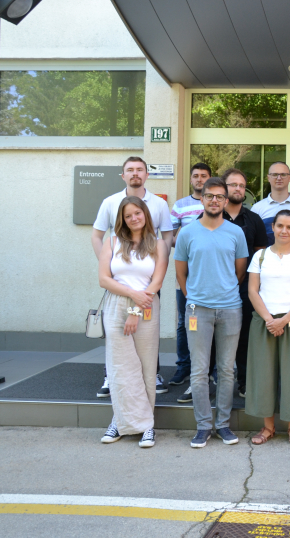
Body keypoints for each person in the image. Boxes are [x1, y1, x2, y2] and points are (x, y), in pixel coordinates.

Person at [174, 177, 248, 448]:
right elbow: (180, 273)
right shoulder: (187, 233)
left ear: (226, 201)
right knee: (199, 370)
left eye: (219, 196)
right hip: (198, 310)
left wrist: (222, 292)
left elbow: (240, 271)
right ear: (202, 199)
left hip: (230, 309)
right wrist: (194, 296)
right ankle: (203, 426)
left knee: (227, 370)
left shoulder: (236, 233)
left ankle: (223, 425)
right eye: (209, 196)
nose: (214, 200)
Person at [92, 156, 173, 398]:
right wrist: (109, 265)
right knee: (117, 338)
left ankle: (152, 374)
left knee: (147, 336)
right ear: (123, 175)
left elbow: (167, 236)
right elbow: (97, 236)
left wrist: (157, 264)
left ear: (147, 174)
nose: (135, 173)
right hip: (119, 284)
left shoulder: (159, 204)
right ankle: (110, 376)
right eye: (130, 170)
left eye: (140, 169)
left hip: (148, 283)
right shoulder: (110, 202)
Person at [98, 196, 168, 448]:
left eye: (137, 213)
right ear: (122, 220)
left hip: (146, 305)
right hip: (116, 305)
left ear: (145, 214)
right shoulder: (112, 242)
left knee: (146, 366)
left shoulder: (159, 245)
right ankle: (119, 420)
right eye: (128, 216)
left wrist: (136, 309)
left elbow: (157, 281)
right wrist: (132, 295)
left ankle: (147, 425)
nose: (134, 218)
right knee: (120, 367)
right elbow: (104, 279)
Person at [246, 210, 290, 445]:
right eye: (280, 226)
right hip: (264, 321)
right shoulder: (260, 256)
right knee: (263, 373)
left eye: (289, 227)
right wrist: (269, 320)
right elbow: (252, 290)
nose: (284, 231)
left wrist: (282, 321)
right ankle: (268, 427)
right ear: (273, 227)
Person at [222, 168, 270, 397]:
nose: (238, 189)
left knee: (245, 336)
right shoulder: (211, 216)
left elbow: (261, 253)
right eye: (233, 184)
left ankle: (244, 381)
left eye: (242, 185)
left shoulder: (254, 219)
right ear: (223, 188)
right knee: (213, 337)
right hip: (216, 287)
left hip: (246, 288)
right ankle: (213, 380)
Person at [168, 162, 212, 388]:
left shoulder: (214, 203)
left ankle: (209, 369)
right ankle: (184, 366)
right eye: (196, 176)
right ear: (191, 179)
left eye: (204, 176)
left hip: (210, 277)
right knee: (184, 321)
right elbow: (170, 236)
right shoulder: (180, 205)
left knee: (210, 321)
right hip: (185, 276)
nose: (200, 179)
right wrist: (184, 242)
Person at [251, 161, 290, 245]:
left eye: (283, 174)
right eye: (274, 174)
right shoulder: (257, 208)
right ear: (268, 178)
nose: (279, 178)